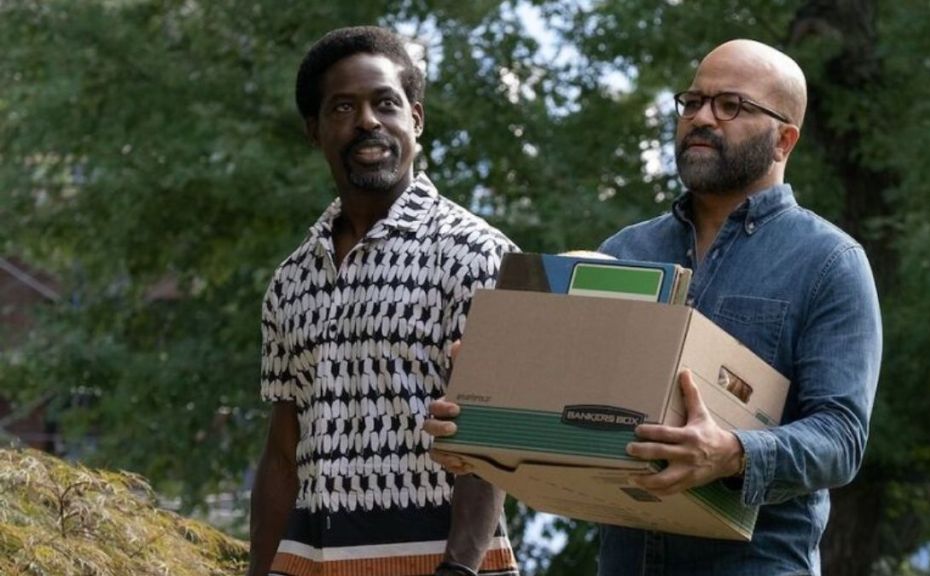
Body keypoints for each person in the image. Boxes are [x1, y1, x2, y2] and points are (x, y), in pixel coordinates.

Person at [426, 39, 883, 575]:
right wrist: (486, 429)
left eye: (730, 105)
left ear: (784, 139)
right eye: (692, 102)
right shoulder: (624, 252)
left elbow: (841, 436)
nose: (702, 118)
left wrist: (733, 452)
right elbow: (571, 410)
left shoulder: (830, 262)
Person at [247, 26, 519, 576]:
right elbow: (282, 454)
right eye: (343, 107)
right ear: (315, 130)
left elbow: (496, 435)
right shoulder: (291, 281)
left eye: (385, 103)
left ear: (415, 120)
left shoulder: (478, 256)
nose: (367, 120)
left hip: (441, 563)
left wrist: (459, 568)